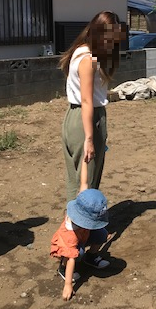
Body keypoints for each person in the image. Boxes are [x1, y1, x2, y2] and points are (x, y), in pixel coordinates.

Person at [58, 11, 125, 203]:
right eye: (110, 38)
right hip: (86, 118)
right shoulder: (88, 60)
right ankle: (80, 228)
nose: (112, 44)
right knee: (87, 180)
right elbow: (87, 100)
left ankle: (76, 227)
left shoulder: (79, 51)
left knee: (76, 178)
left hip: (74, 116)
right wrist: (89, 138)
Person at [50, 161, 110, 301]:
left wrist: (85, 161)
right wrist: (68, 285)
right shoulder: (70, 232)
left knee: (102, 233)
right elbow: (72, 258)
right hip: (68, 245)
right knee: (77, 255)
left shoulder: (83, 201)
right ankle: (63, 269)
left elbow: (84, 182)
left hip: (84, 235)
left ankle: (91, 256)